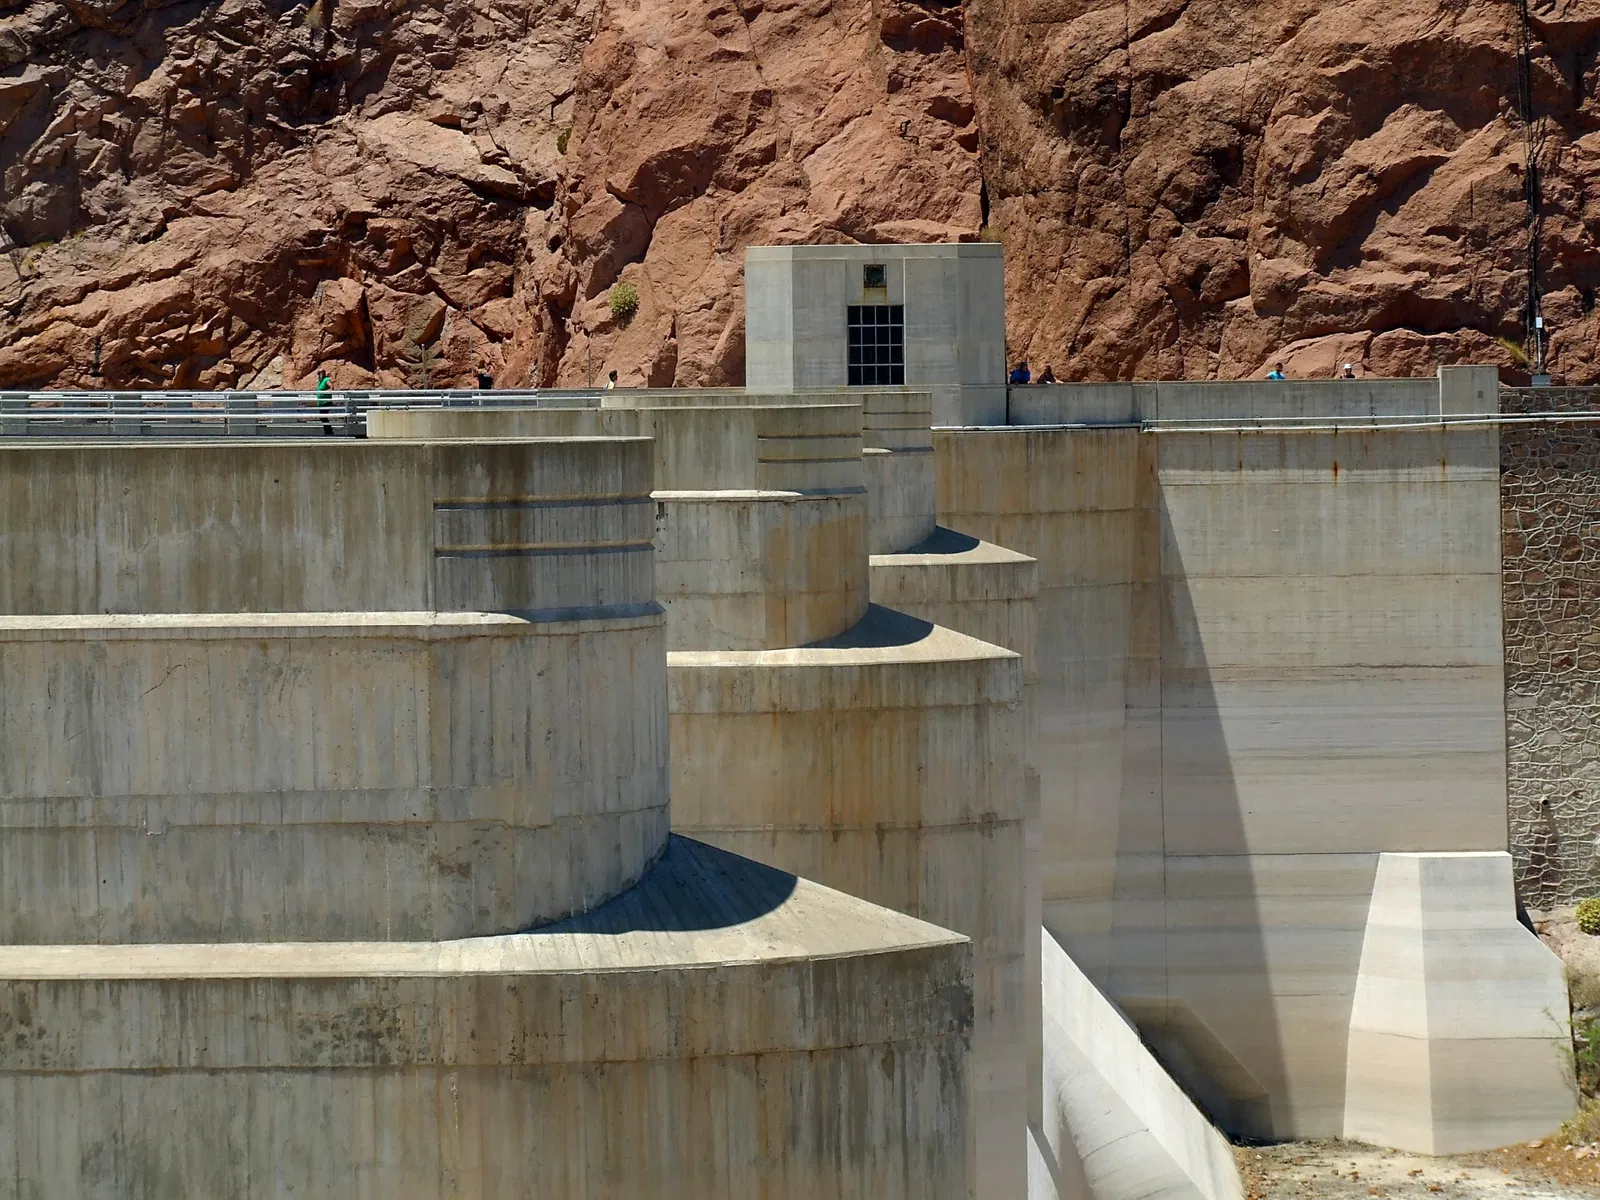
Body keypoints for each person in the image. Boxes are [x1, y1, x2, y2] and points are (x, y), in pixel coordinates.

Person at [315, 369, 335, 436]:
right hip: (321, 402)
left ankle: (329, 432)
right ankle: (328, 431)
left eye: (321, 373)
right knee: (322, 417)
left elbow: (331, 386)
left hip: (326, 402)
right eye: (319, 373)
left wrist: (329, 391)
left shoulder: (326, 379)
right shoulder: (320, 381)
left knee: (323, 416)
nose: (320, 374)